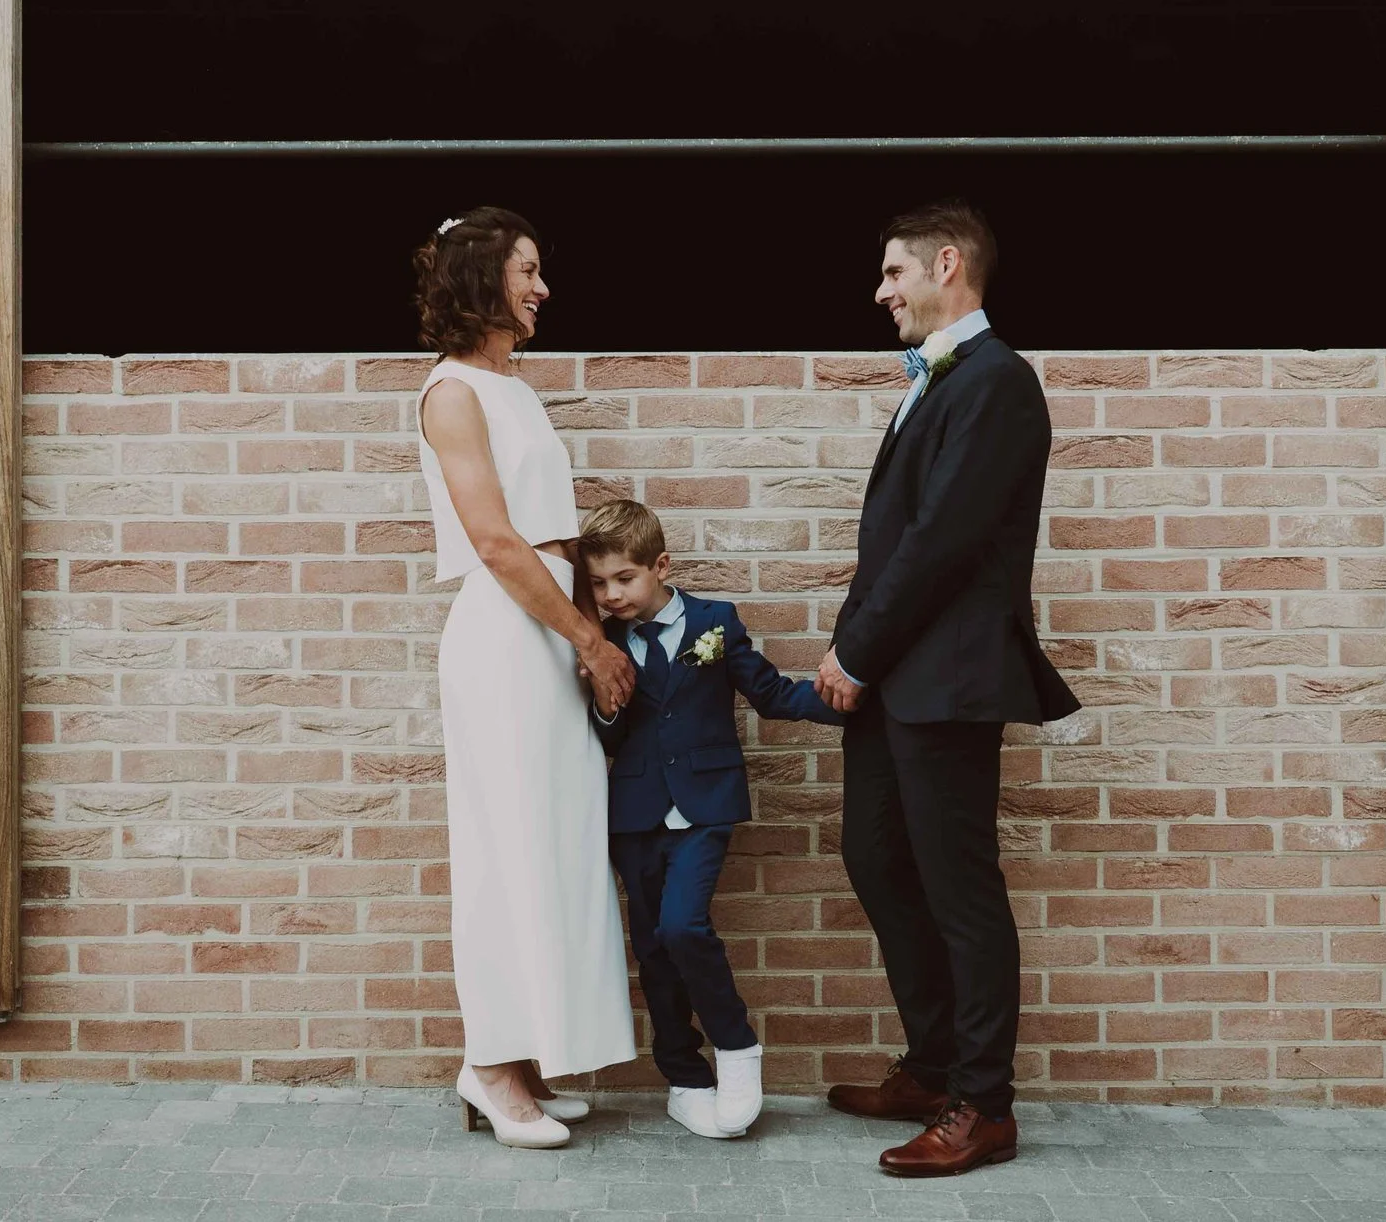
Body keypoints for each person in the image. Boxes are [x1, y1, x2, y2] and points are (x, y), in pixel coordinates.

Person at [812, 200, 1081, 1177]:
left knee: (961, 890)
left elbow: (943, 542)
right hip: (897, 678)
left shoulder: (998, 381)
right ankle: (930, 1066)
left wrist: (854, 653)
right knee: (877, 857)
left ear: (948, 265)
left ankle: (983, 1104)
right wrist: (856, 651)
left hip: (948, 679)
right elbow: (894, 538)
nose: (881, 290)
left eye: (895, 271)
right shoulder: (938, 380)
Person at [412, 208, 638, 1149]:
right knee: (503, 849)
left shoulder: (515, 389)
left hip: (546, 633)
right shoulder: (451, 392)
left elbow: (555, 537)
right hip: (505, 637)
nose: (542, 288)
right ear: (482, 278)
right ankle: (490, 1065)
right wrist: (590, 642)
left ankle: (531, 1057)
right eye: (528, 270)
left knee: (556, 844)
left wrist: (592, 636)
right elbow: (498, 543)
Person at [580, 500, 845, 1140]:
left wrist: (852, 703)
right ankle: (684, 1078)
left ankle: (736, 1046)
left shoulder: (714, 622)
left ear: (661, 566)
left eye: (624, 578)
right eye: (598, 583)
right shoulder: (602, 639)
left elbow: (771, 694)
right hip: (635, 813)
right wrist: (603, 699)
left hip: (704, 807)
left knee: (683, 926)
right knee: (652, 947)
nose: (611, 595)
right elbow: (607, 735)